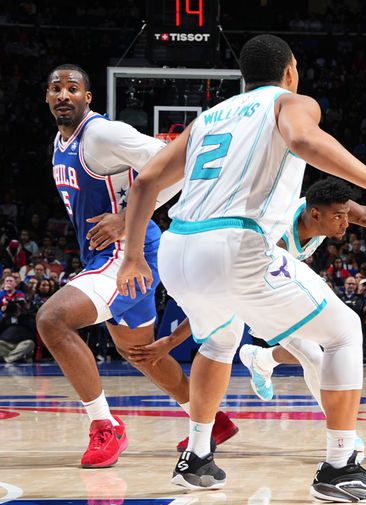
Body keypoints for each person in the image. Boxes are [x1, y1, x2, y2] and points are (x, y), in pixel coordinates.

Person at [117, 34, 366, 501]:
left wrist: (131, 255)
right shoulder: (291, 100)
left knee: (220, 340)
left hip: (177, 247)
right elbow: (304, 140)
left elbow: (144, 181)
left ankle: (197, 457)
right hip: (234, 241)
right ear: (290, 70)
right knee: (343, 329)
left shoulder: (208, 118)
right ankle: (340, 467)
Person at [38, 64, 237, 469]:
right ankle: (210, 420)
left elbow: (180, 167)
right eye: (56, 88)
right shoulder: (61, 143)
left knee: (52, 320)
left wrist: (130, 216)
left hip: (130, 254)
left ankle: (105, 426)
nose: (63, 94)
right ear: (46, 96)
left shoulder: (102, 134)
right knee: (140, 352)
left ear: (87, 97)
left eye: (72, 88)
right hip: (107, 255)